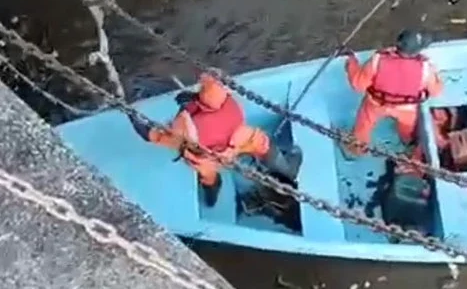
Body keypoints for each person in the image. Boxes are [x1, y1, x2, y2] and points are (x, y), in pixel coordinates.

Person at [128, 73, 302, 207]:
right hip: (239, 141)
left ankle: (211, 197)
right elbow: (211, 84)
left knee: (209, 176)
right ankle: (287, 168)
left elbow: (152, 135)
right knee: (264, 147)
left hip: (212, 152)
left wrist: (132, 115)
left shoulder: (187, 134)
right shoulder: (230, 110)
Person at [343, 29, 444, 156]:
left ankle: (357, 149)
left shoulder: (378, 60)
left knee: (363, 125)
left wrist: (351, 62)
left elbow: (358, 84)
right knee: (408, 129)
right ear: (417, 51)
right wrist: (437, 77)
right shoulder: (425, 68)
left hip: (376, 104)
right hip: (406, 110)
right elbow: (436, 92)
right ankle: (407, 142)